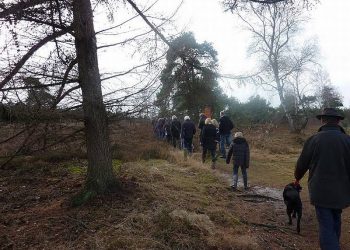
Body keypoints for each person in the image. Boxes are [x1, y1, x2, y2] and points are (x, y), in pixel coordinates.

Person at [294, 108, 350, 250]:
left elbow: (301, 164)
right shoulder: (347, 140)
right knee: (336, 219)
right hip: (342, 190)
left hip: (320, 190)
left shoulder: (314, 139)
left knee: (326, 224)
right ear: (338, 121)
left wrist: (297, 178)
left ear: (322, 120)